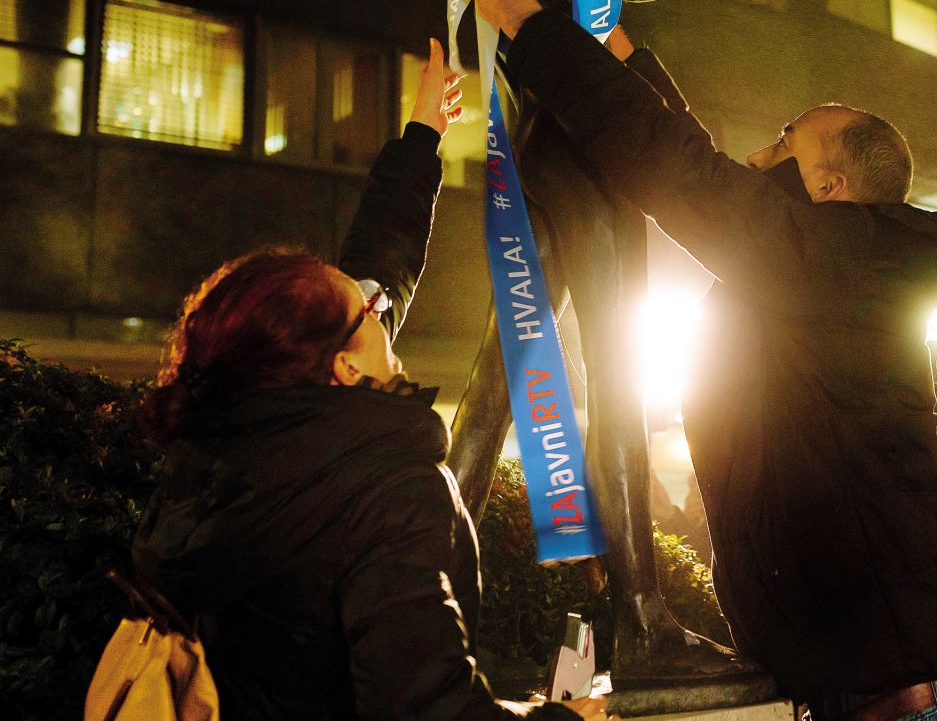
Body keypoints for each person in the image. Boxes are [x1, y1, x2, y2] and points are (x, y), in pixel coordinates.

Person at [458, 0, 937, 719]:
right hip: (871, 692)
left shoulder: (838, 264)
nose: (763, 149)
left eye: (787, 139)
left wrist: (525, 19)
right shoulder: (830, 267)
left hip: (914, 705)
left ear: (830, 184)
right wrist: (607, 30)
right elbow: (694, 158)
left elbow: (691, 177)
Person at [131, 42, 602, 721]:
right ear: (345, 367)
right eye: (368, 313)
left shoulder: (217, 456)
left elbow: (377, 268)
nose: (383, 307)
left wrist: (423, 139)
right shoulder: (385, 492)